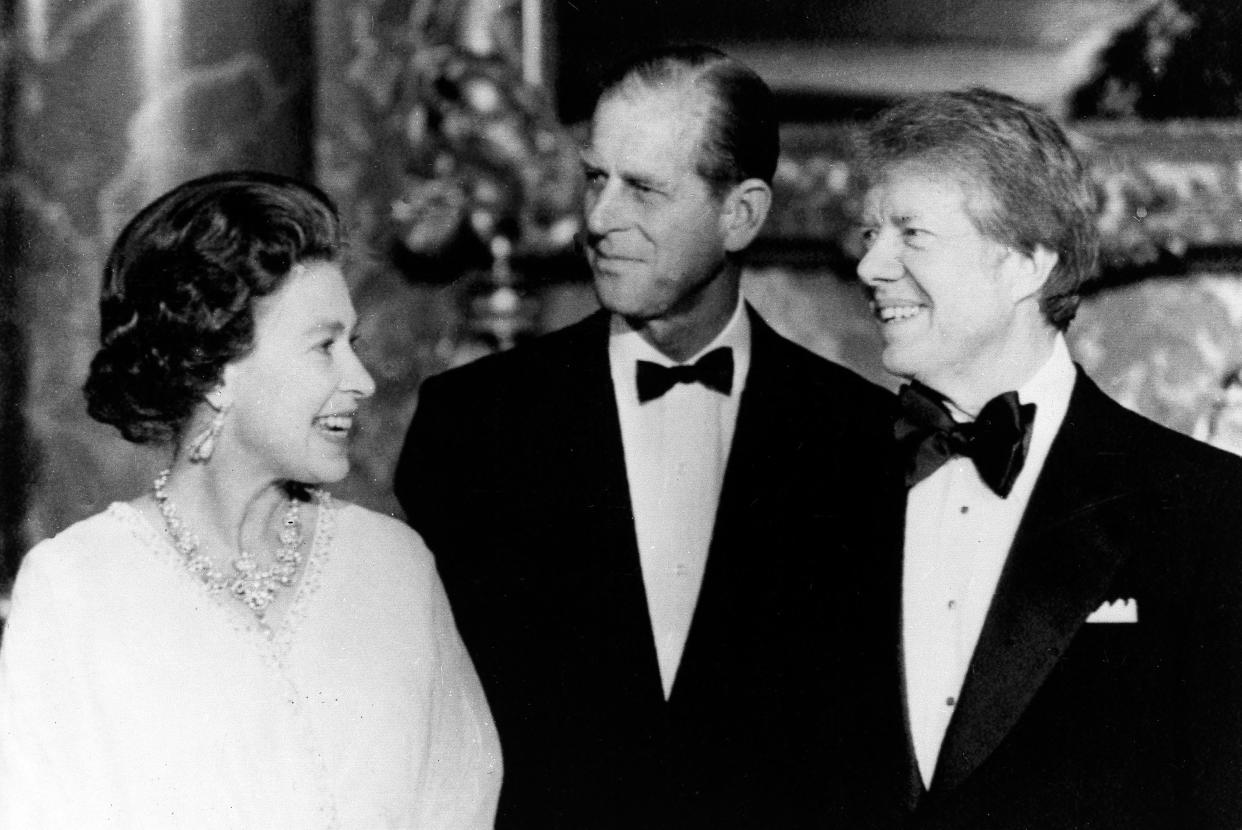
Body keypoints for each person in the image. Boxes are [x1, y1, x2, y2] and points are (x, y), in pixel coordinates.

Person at [394, 44, 902, 828]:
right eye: (597, 177)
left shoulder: (861, 437)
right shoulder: (472, 425)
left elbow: (870, 754)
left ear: (742, 214)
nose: (597, 220)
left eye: (644, 189)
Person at [0, 171, 501, 828]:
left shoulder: (395, 569)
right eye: (325, 346)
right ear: (216, 369)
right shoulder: (77, 589)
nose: (363, 380)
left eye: (356, 344)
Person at [851, 88, 1242, 828]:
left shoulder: (1206, 509)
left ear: (1027, 263)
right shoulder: (819, 488)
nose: (871, 263)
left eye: (911, 233)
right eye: (871, 232)